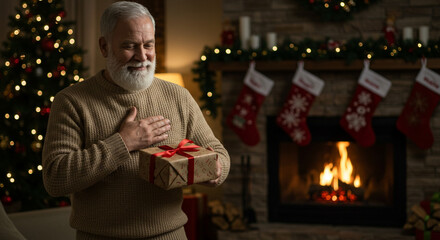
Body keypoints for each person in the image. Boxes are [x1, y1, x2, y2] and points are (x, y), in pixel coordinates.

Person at [42, 1, 230, 239]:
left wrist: (213, 170)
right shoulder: (71, 101)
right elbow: (55, 178)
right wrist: (123, 142)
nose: (142, 56)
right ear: (104, 46)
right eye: (129, 46)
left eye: (148, 45)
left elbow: (219, 154)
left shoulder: (178, 96)